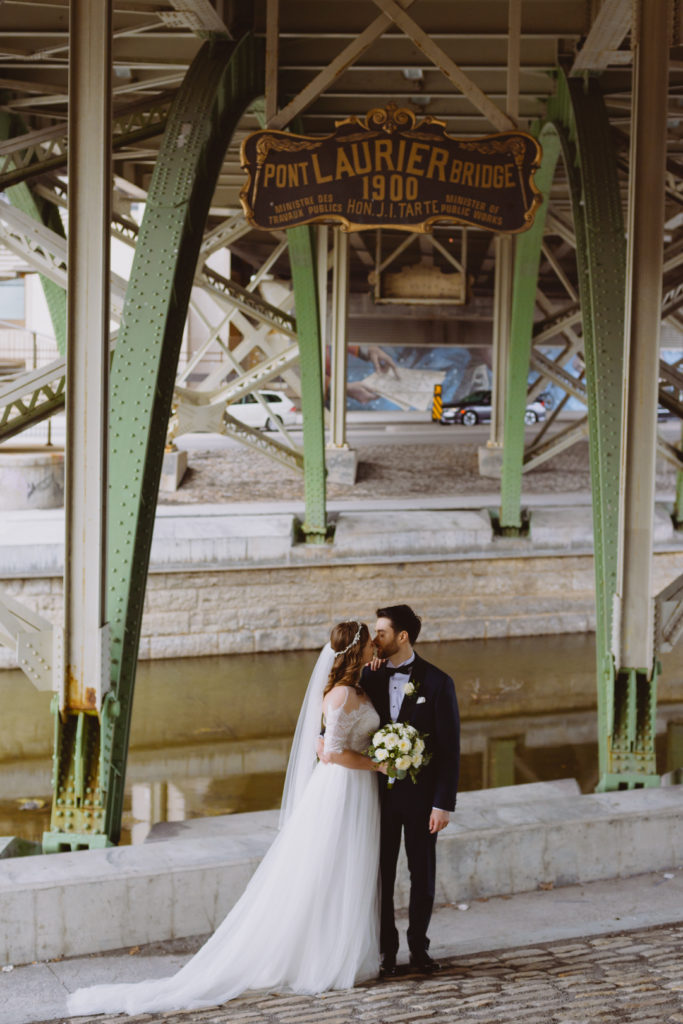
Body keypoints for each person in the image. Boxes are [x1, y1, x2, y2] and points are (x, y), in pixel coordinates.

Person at [67, 621, 386, 1018]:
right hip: (341, 790)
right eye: (371, 644)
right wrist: (379, 763)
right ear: (357, 650)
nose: (376, 648)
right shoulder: (339, 695)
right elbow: (332, 754)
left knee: (349, 868)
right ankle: (323, 958)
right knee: (329, 869)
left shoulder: (357, 688)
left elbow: (333, 742)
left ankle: (345, 951)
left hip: (357, 790)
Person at [362, 604, 460, 977]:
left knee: (423, 874)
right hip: (377, 799)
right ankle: (387, 951)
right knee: (381, 875)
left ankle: (419, 947)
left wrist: (443, 804)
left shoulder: (438, 682)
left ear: (402, 636)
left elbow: (450, 750)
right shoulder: (366, 678)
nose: (376, 638)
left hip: (422, 801)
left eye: (382, 632)